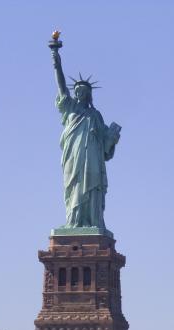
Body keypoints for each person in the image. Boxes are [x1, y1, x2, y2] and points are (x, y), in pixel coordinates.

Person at [51, 45, 121, 229]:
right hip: (73, 157)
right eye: (77, 90)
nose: (79, 93)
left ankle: (93, 221)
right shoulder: (70, 109)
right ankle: (73, 222)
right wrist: (56, 61)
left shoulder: (96, 116)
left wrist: (112, 138)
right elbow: (61, 87)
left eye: (83, 91)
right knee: (74, 187)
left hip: (93, 159)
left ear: (89, 95)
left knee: (93, 186)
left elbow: (106, 147)